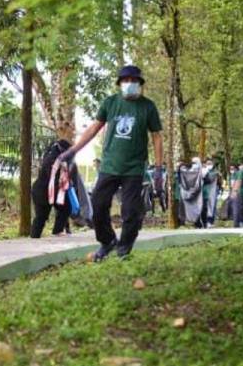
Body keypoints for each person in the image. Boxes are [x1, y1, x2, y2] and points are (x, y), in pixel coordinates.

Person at [58, 65, 164, 260]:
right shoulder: (110, 103)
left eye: (134, 81)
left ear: (139, 84)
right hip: (109, 166)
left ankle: (124, 249)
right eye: (126, 80)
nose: (130, 84)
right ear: (120, 84)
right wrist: (73, 150)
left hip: (134, 168)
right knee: (97, 205)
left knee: (131, 212)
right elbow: (93, 129)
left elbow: (157, 137)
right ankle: (107, 242)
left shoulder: (148, 107)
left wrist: (158, 169)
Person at [30, 139, 77, 238]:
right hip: (43, 192)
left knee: (65, 208)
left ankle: (57, 230)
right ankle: (34, 237)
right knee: (41, 217)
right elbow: (53, 178)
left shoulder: (55, 155)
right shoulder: (52, 159)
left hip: (49, 191)